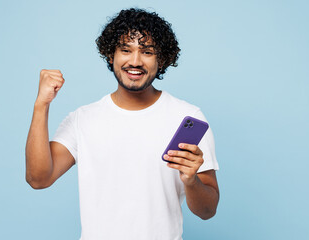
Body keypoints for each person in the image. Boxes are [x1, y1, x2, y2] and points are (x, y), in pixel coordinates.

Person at [26, 8, 219, 240]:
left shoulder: (187, 116)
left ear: (162, 59)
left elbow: (207, 211)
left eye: (147, 51)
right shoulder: (83, 119)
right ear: (111, 55)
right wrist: (41, 105)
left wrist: (192, 180)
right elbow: (38, 179)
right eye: (125, 50)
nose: (135, 61)